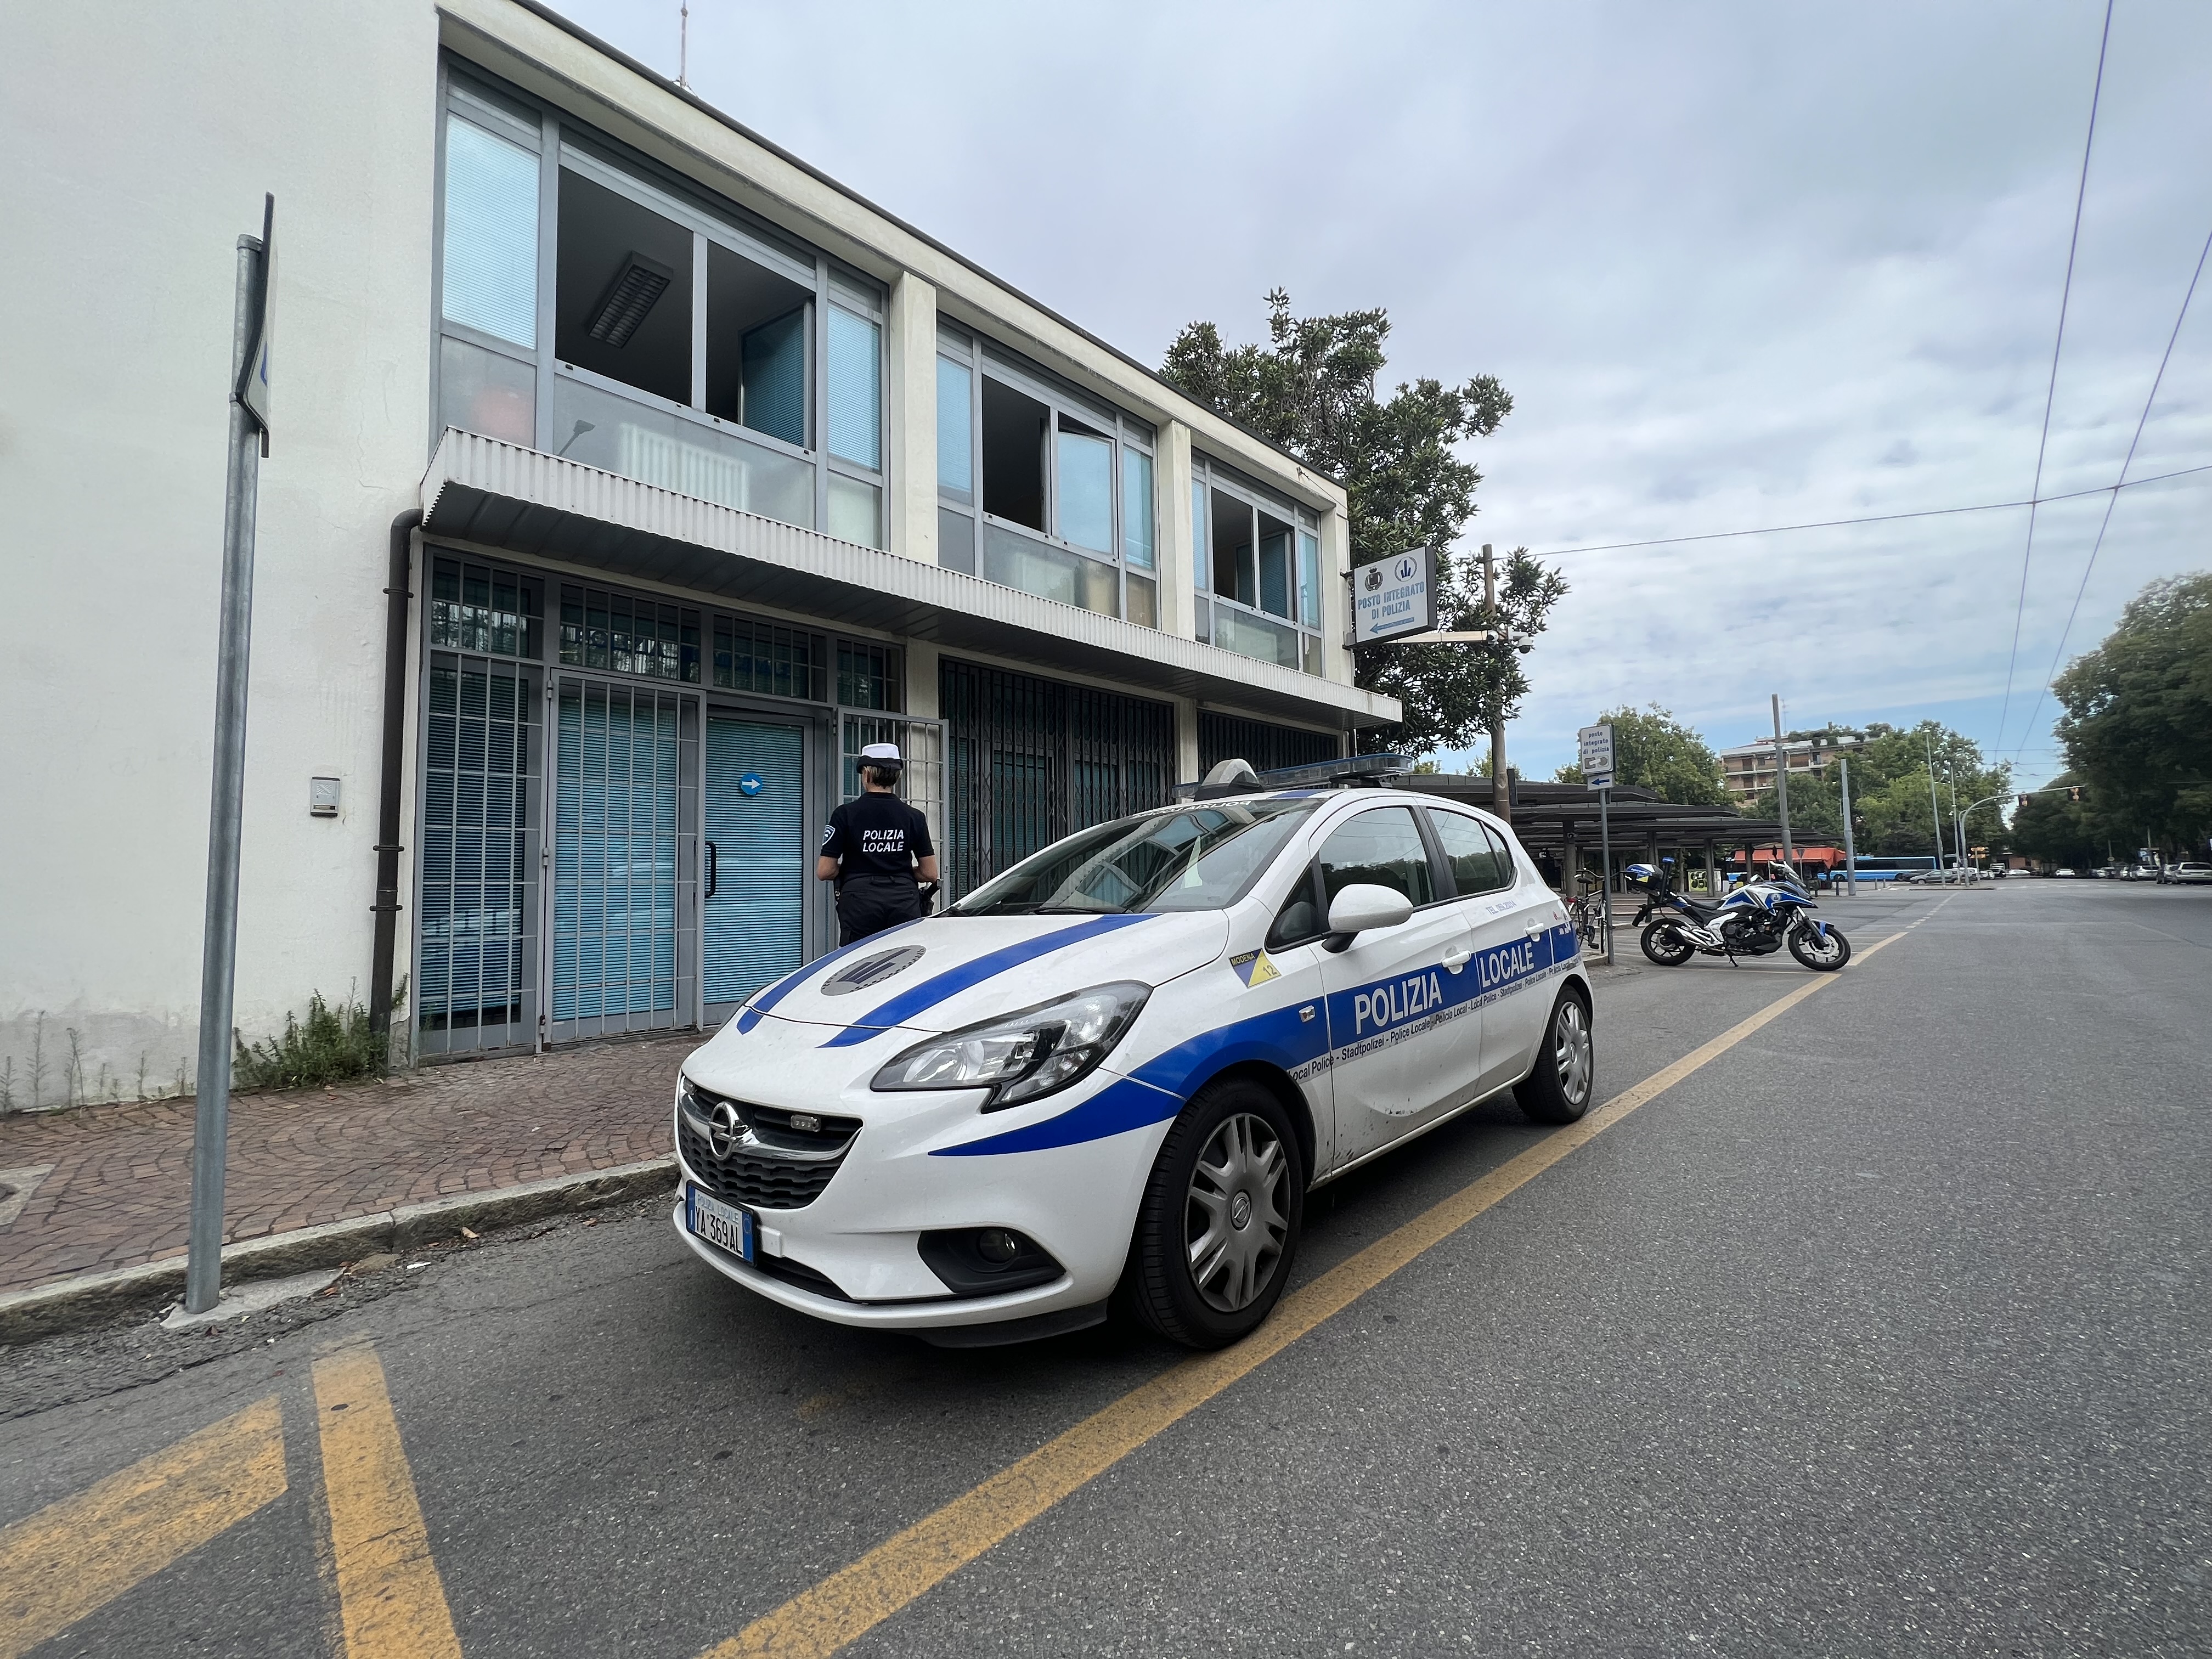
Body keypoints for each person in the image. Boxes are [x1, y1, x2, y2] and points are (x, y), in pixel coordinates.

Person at [817, 742, 938, 944]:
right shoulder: (915, 817)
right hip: (904, 901)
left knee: (859, 959)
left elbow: (825, 871)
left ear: (866, 775)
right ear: (897, 776)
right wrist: (899, 872)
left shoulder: (844, 814)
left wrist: (853, 870)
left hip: (859, 903)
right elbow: (930, 874)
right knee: (905, 956)